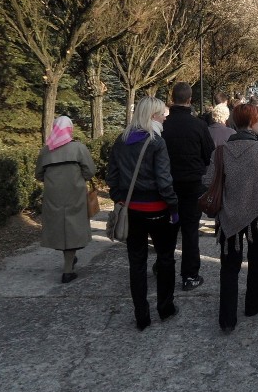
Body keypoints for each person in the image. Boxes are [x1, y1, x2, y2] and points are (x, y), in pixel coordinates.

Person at [203, 103, 258, 333]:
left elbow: (208, 182)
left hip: (228, 214)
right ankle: (253, 304)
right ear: (251, 123)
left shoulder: (221, 151)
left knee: (229, 266)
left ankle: (227, 318)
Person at [106, 97, 179, 330]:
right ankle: (165, 308)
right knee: (165, 258)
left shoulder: (122, 140)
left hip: (132, 211)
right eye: (161, 113)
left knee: (137, 263)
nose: (165, 116)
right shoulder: (157, 142)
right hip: (157, 209)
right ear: (152, 116)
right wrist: (173, 205)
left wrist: (119, 198)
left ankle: (141, 315)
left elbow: (112, 177)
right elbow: (164, 180)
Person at [162, 81, 214, 292]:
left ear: (172, 99)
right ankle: (189, 275)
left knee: (168, 229)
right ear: (190, 100)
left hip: (168, 184)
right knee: (190, 230)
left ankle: (164, 268)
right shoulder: (198, 125)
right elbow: (208, 153)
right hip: (192, 183)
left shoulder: (163, 126)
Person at [35, 116, 96, 284]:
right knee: (73, 229)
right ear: (70, 129)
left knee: (60, 231)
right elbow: (90, 171)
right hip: (75, 195)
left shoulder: (46, 150)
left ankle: (69, 261)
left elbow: (38, 174)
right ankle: (67, 270)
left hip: (53, 197)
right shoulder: (78, 148)